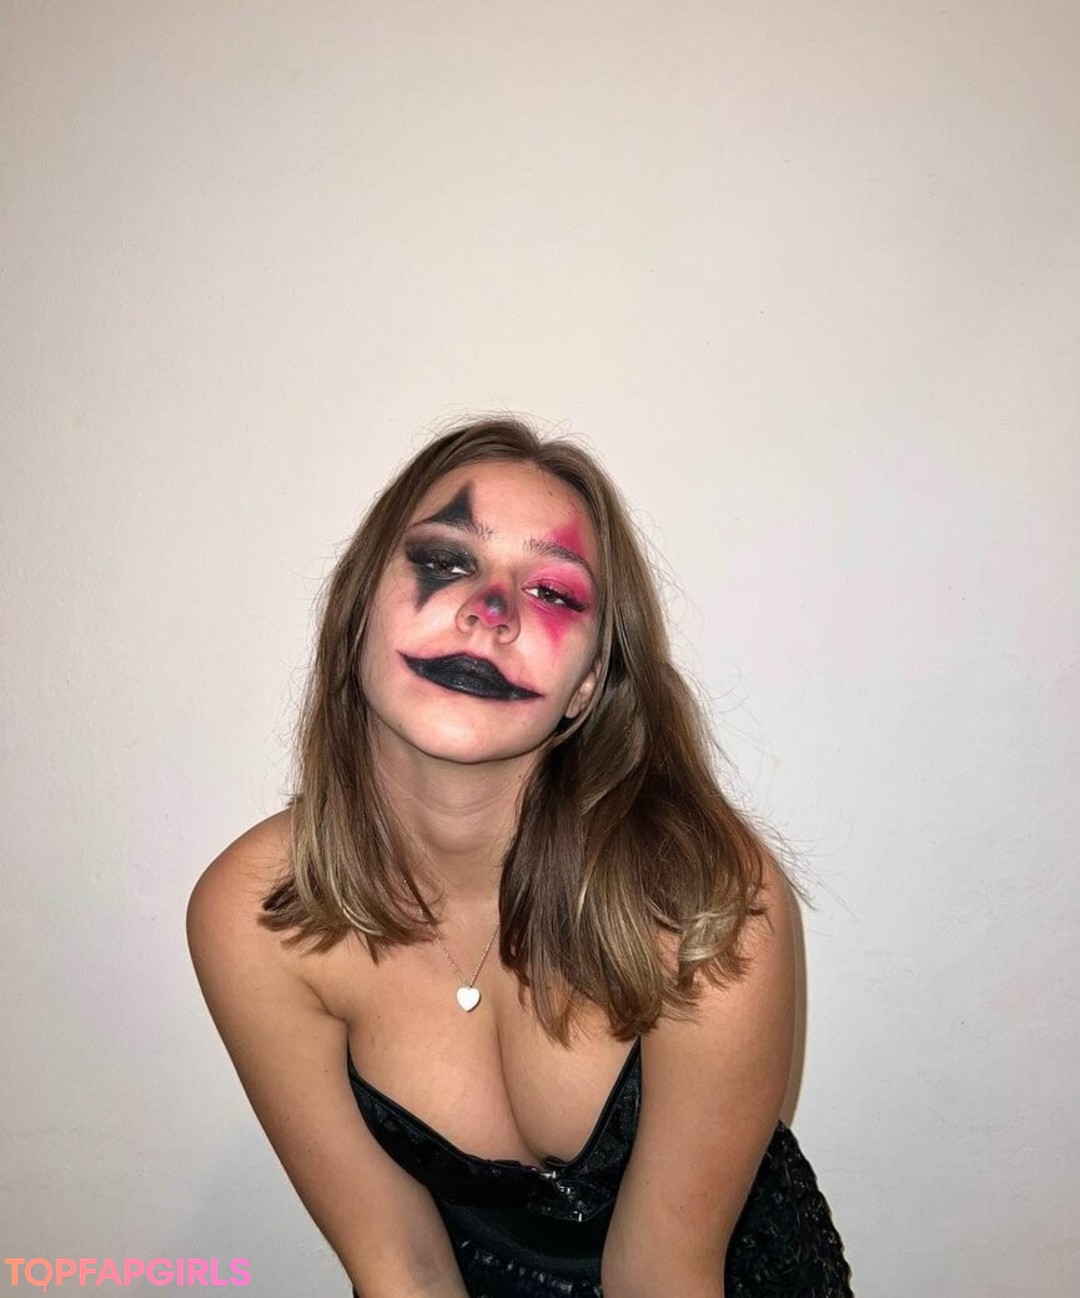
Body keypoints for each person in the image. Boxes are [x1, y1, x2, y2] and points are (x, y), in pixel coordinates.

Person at [187, 418, 852, 1297]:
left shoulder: (706, 905)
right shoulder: (252, 913)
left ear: (586, 687)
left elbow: (663, 1272)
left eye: (551, 591)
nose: (490, 611)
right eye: (445, 560)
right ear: (356, 617)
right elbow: (400, 1268)